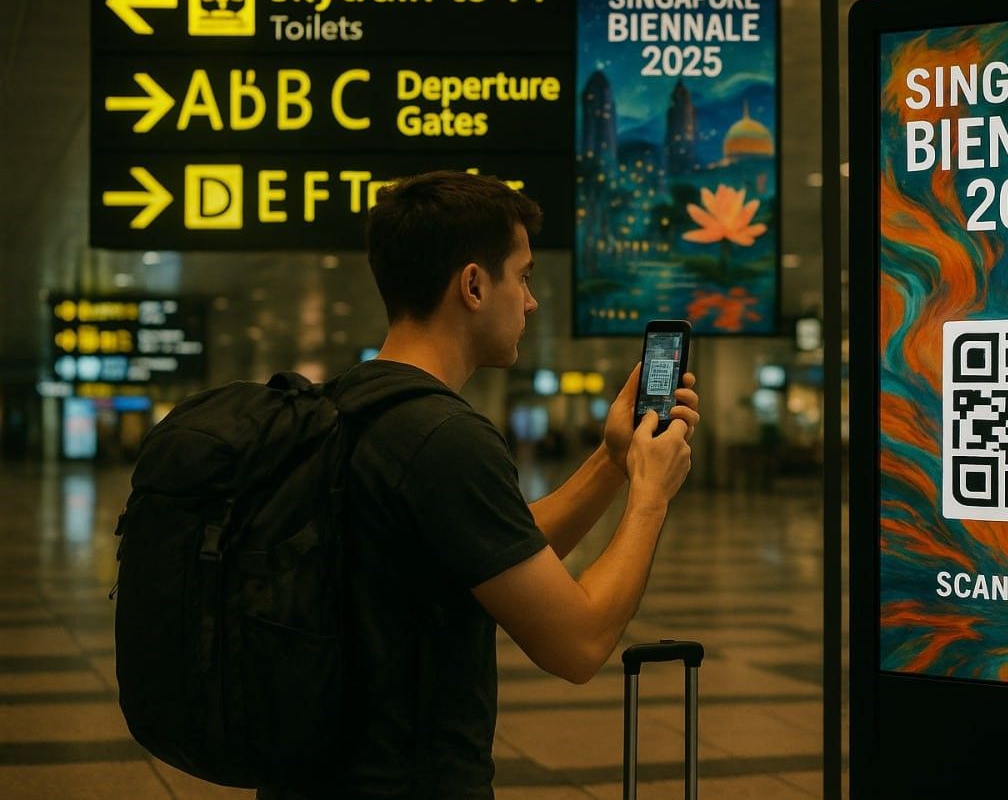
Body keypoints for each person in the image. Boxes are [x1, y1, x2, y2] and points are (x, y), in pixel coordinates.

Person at [260, 170, 699, 798]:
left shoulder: (345, 404)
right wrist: (650, 498)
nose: (530, 301)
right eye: (521, 276)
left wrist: (612, 459)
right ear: (472, 285)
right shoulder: (444, 437)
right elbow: (577, 644)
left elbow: (492, 548)